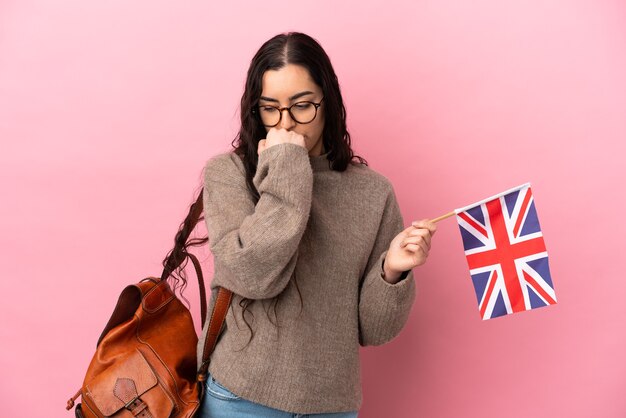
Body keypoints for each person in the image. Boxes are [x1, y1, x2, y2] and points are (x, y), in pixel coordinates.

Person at [196, 31, 437, 418]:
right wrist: (288, 166)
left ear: (329, 102)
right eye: (270, 108)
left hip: (332, 406)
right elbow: (252, 275)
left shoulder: (373, 193)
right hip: (240, 398)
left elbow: (374, 331)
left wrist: (391, 273)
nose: (286, 124)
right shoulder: (228, 174)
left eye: (302, 106)